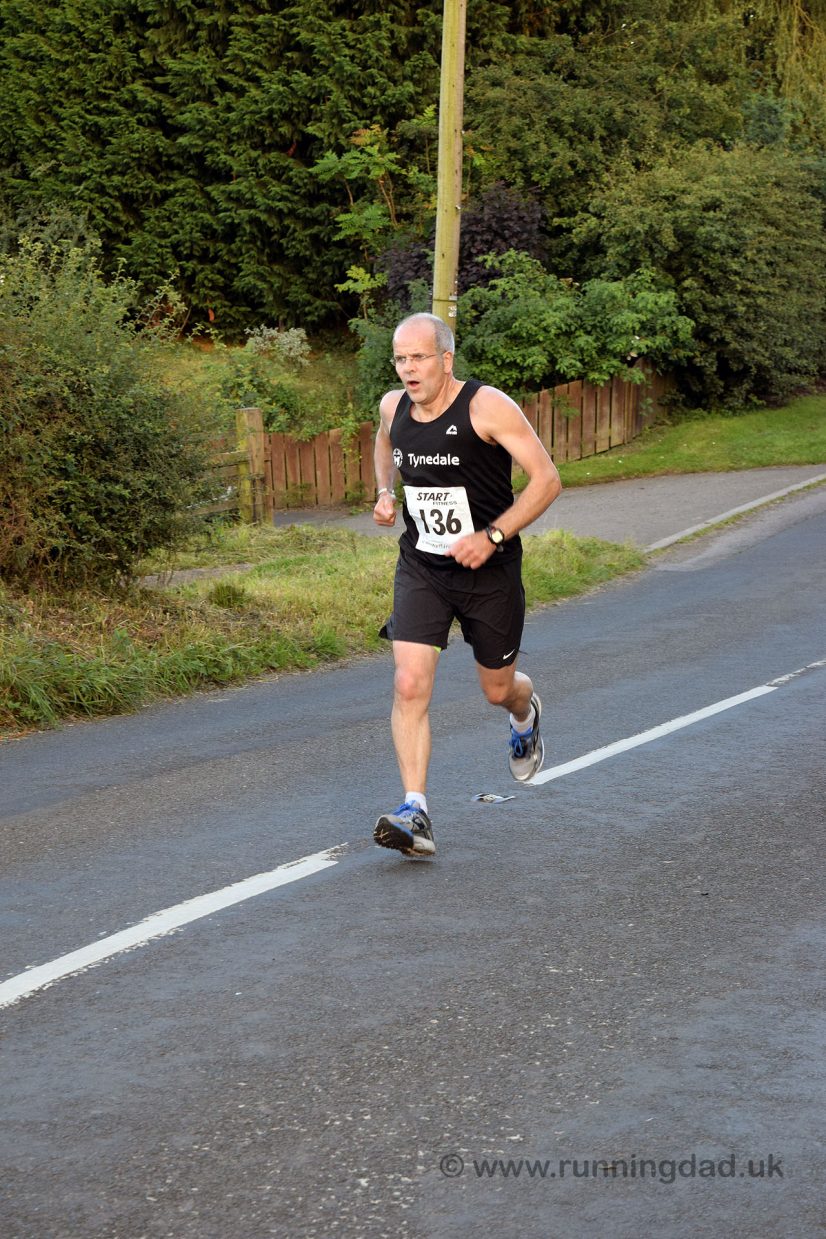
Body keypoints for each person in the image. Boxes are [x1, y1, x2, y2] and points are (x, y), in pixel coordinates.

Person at [372, 311, 561, 858]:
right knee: (409, 682)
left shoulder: (486, 406)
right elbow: (384, 443)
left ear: (446, 359)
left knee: (497, 690)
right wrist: (385, 492)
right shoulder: (393, 407)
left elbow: (547, 479)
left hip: (489, 570)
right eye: (401, 359)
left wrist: (494, 535)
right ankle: (416, 811)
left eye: (419, 358)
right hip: (424, 567)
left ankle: (524, 716)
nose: (409, 370)